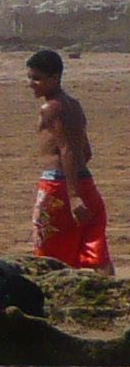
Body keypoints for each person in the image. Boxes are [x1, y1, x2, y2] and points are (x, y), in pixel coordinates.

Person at [28, 49, 110, 273]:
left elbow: (67, 150)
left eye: (37, 78)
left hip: (59, 187)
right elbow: (85, 152)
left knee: (48, 257)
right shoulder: (74, 105)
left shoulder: (50, 108)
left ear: (55, 77)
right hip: (87, 184)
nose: (32, 84)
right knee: (95, 251)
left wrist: (72, 195)